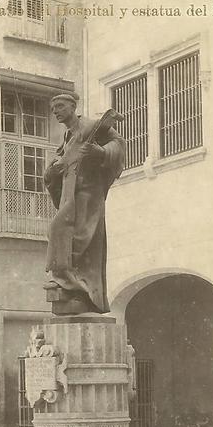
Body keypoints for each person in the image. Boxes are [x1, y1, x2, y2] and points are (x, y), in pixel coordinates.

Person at [44, 93, 125, 314]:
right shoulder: (67, 136)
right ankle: (66, 282)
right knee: (58, 230)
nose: (56, 112)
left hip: (89, 194)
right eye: (53, 109)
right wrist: (53, 169)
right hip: (71, 194)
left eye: (60, 106)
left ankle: (77, 286)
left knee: (78, 237)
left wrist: (100, 152)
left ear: (73, 106)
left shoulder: (91, 125)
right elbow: (61, 162)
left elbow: (118, 144)